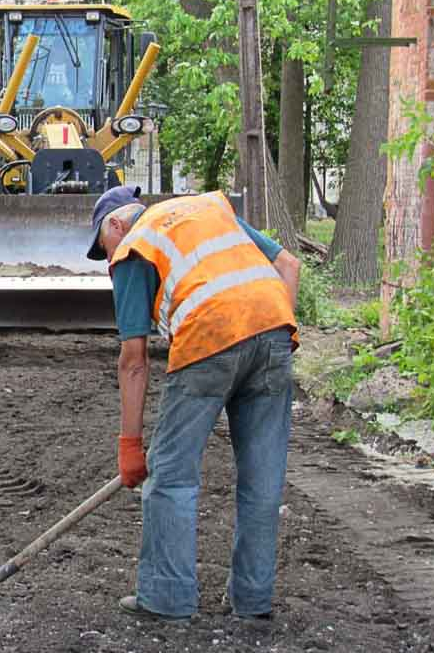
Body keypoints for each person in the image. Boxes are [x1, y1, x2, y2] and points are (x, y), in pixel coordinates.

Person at [85, 185, 301, 621]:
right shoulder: (208, 208)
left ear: (114, 224)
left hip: (209, 336)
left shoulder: (133, 247)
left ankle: (166, 598)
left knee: (171, 476)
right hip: (276, 329)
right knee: (263, 480)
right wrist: (270, 339)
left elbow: (133, 360)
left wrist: (130, 445)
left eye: (102, 249)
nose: (107, 259)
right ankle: (253, 600)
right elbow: (288, 264)